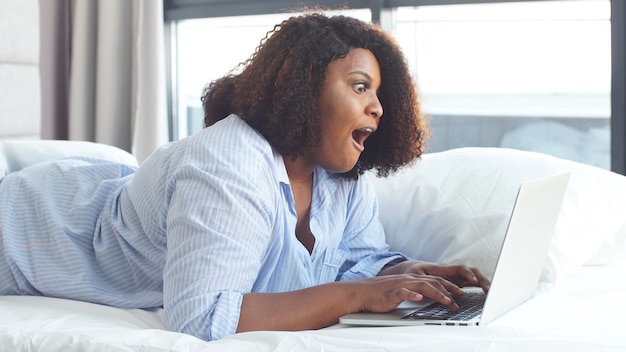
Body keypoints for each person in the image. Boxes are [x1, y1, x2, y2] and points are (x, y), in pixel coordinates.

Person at [0, 12, 489, 341]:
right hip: (24, 231)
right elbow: (200, 317)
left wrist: (403, 276)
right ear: (303, 88)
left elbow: (355, 260)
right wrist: (358, 295)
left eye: (380, 93)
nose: (378, 108)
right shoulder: (228, 164)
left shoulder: (343, 178)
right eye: (361, 87)